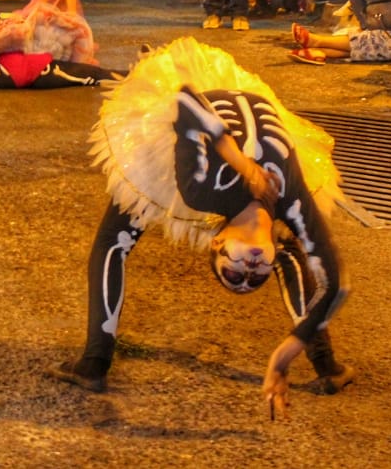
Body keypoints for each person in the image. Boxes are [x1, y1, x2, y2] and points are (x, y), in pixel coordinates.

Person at [49, 37, 352, 409]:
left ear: (217, 242)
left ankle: (93, 362)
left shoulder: (202, 190)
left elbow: (187, 99)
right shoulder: (292, 202)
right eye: (255, 278)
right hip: (239, 91)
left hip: (192, 108)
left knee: (114, 237)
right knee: (296, 251)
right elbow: (334, 284)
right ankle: (326, 365)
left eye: (235, 273)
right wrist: (284, 356)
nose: (250, 271)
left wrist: (240, 163)